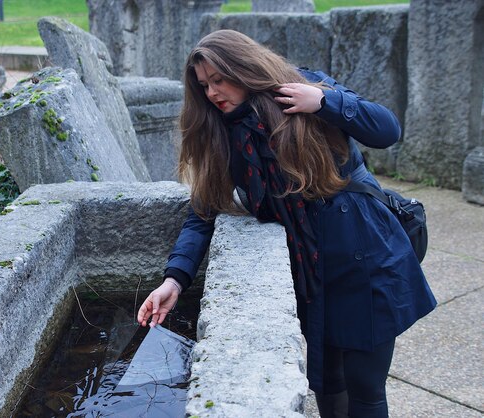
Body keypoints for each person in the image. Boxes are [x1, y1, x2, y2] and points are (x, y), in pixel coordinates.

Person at [137, 29, 436, 418]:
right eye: (204, 85)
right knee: (327, 383)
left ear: (242, 67)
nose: (212, 93)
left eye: (219, 79)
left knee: (365, 388)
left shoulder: (303, 89)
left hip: (367, 259)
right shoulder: (221, 134)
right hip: (311, 272)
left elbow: (387, 130)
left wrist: (326, 101)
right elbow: (203, 211)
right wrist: (174, 279)